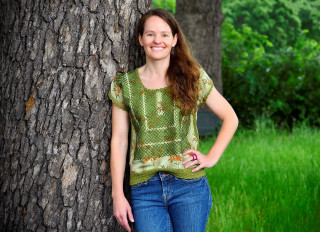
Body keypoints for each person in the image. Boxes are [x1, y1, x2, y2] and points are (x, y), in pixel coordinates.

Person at [108, 8, 238, 232]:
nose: (157, 40)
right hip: (145, 189)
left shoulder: (192, 77)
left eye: (164, 34)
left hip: (189, 186)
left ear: (175, 39)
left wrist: (211, 157)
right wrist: (118, 195)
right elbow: (119, 141)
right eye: (150, 34)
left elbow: (230, 117)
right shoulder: (125, 85)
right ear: (140, 39)